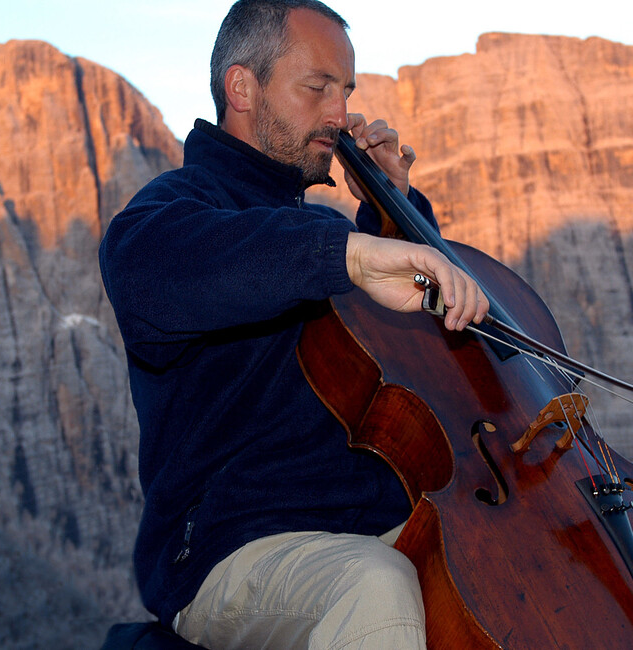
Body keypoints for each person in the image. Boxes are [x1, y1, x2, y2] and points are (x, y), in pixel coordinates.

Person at [99, 1, 488, 647]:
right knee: (375, 585)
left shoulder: (327, 234)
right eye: (317, 88)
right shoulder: (175, 209)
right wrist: (351, 253)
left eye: (347, 91)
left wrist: (395, 213)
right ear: (242, 87)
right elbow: (151, 271)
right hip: (234, 550)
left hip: (372, 526)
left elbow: (439, 359)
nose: (340, 115)